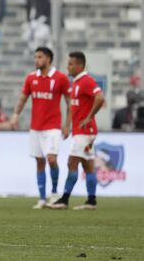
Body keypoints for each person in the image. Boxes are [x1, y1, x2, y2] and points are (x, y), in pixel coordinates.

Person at [10, 47, 71, 209]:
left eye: (40, 57)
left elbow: (69, 102)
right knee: (39, 161)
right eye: (35, 57)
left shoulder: (60, 78)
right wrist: (16, 114)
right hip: (35, 127)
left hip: (52, 127)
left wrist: (67, 124)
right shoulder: (31, 78)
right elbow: (23, 98)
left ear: (48, 59)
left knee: (52, 159)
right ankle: (42, 198)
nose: (36, 60)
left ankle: (55, 193)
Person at [49, 52, 105, 210]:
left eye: (71, 64)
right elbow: (73, 107)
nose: (68, 66)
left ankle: (64, 200)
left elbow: (100, 98)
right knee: (88, 166)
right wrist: (68, 126)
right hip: (82, 131)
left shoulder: (86, 81)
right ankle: (91, 201)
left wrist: (89, 117)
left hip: (85, 132)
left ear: (80, 66)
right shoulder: (76, 82)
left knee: (71, 162)